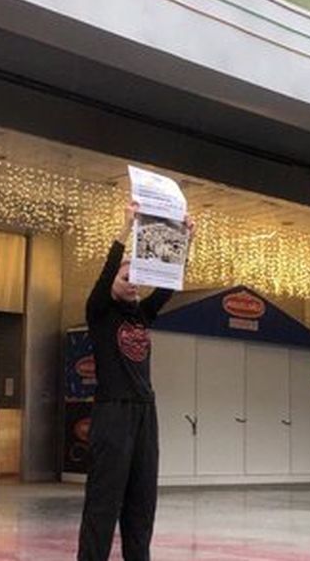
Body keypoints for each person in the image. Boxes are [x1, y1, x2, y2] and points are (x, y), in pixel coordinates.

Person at [77, 201, 193, 561]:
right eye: (126, 277)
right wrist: (125, 228)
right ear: (112, 282)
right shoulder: (99, 312)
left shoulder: (142, 314)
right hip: (113, 412)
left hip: (145, 413)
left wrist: (185, 242)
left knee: (142, 502)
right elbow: (106, 274)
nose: (133, 283)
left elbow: (169, 286)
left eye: (137, 279)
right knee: (104, 501)